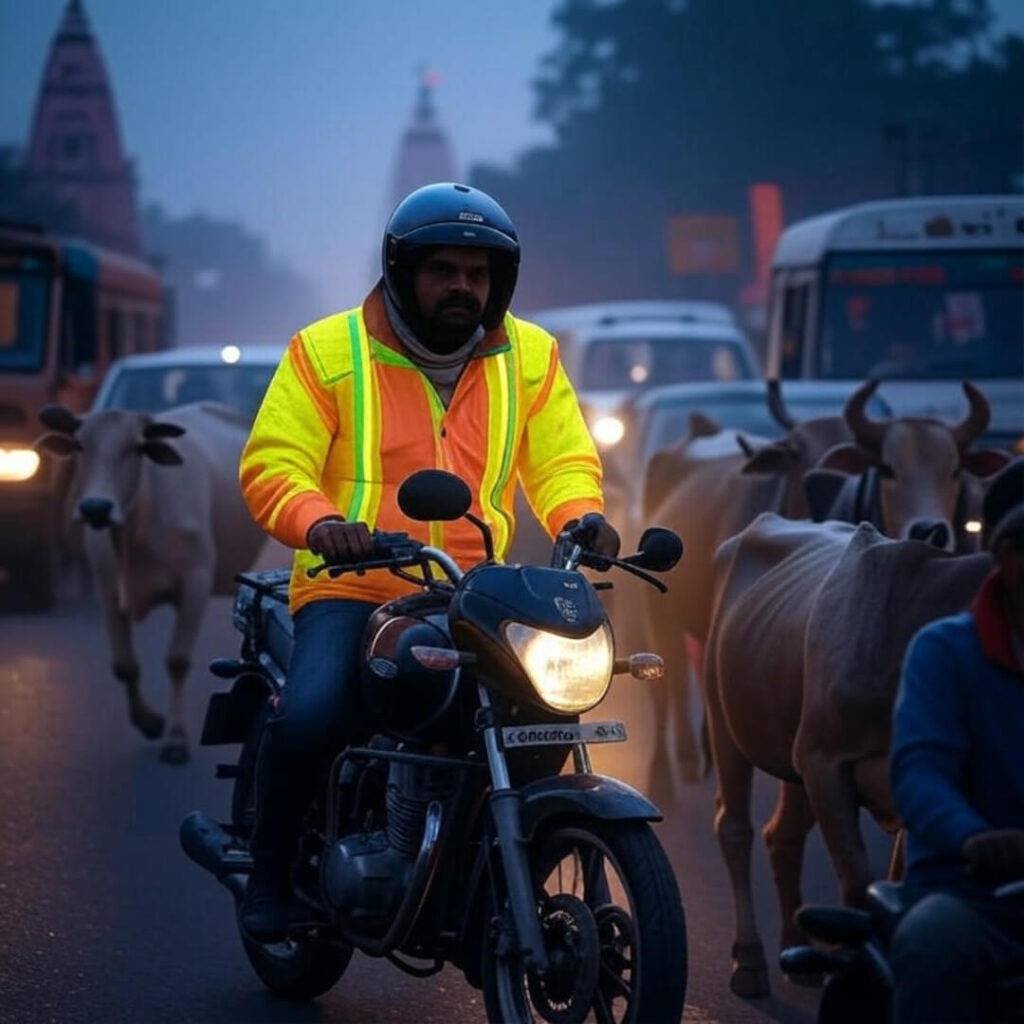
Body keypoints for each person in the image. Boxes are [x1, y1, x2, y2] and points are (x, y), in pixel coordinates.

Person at [236, 182, 619, 941]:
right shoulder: (326, 351)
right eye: (443, 271)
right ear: (404, 273)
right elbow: (273, 466)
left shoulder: (531, 356)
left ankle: (492, 887)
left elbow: (563, 461)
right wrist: (324, 525)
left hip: (477, 592)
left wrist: (582, 516)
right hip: (352, 585)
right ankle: (271, 881)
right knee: (312, 715)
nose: (461, 288)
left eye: (477, 275)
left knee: (543, 718)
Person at [889, 457, 1024, 1023]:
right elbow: (920, 775)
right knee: (932, 940)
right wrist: (974, 839)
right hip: (973, 890)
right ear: (999, 552)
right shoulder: (944, 652)